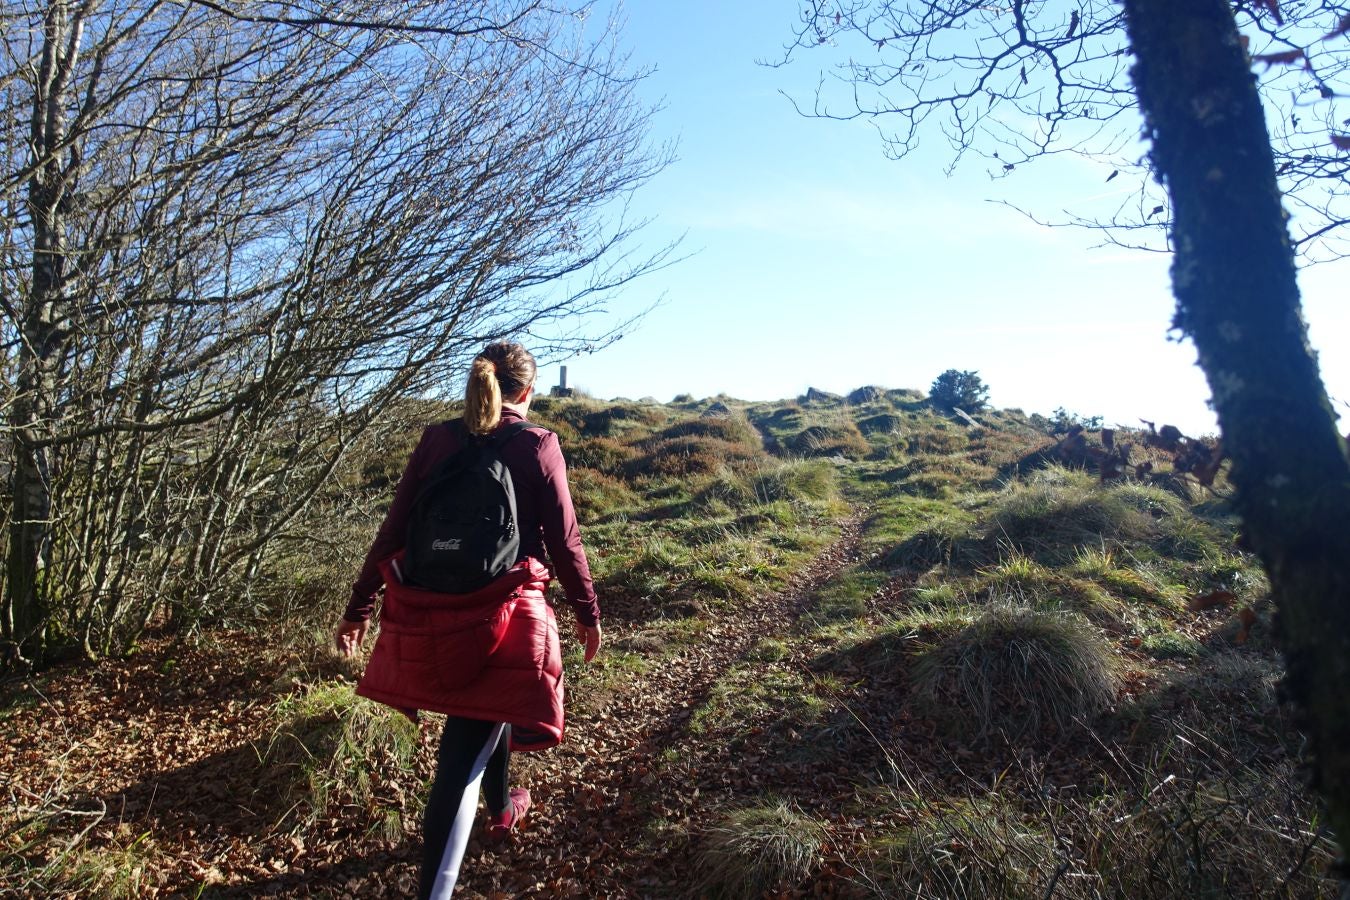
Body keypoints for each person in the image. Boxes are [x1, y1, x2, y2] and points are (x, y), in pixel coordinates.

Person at [334, 341, 602, 899]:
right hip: (503, 619)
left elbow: (396, 529)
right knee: (458, 765)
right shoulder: (537, 444)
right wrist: (586, 612)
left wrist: (360, 607)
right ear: (526, 392)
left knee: (486, 716)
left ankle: (503, 808)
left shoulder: (438, 439)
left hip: (430, 612)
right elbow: (565, 541)